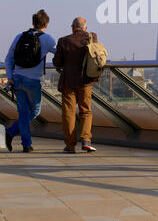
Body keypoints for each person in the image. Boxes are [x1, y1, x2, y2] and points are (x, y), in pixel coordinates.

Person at [4, 10, 56, 153]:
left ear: (33, 22)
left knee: (23, 112)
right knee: (35, 111)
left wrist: (10, 77)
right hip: (33, 80)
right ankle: (12, 131)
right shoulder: (48, 39)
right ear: (46, 24)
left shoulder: (19, 36)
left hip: (17, 79)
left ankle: (26, 145)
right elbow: (60, 53)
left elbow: (8, 58)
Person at [53, 17, 98, 153]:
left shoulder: (64, 41)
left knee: (69, 113)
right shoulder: (92, 37)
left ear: (72, 27)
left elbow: (57, 62)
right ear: (85, 27)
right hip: (86, 80)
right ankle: (86, 140)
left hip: (68, 81)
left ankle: (70, 145)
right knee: (85, 110)